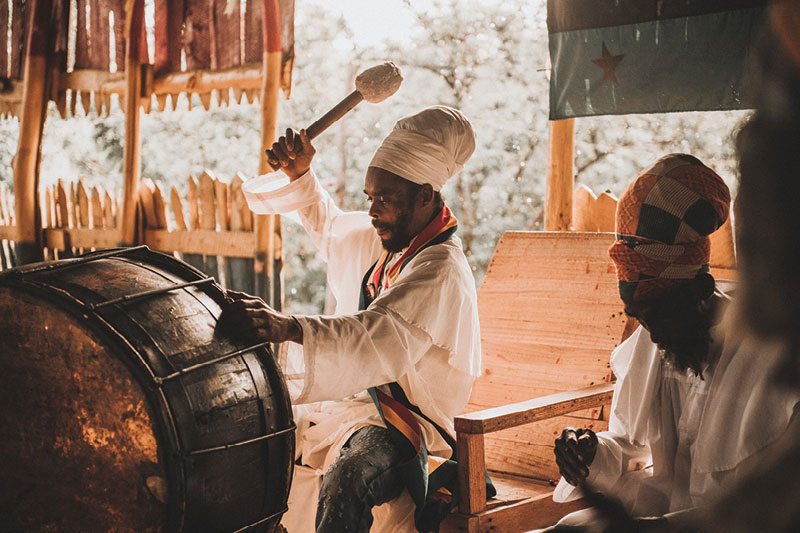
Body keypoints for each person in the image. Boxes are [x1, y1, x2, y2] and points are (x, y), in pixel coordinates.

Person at [221, 106, 488, 533]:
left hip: (408, 420)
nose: (373, 211)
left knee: (350, 475)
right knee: (246, 432)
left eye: (386, 199)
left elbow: (374, 335)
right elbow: (332, 231)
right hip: (353, 405)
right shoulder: (393, 240)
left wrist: (287, 326)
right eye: (370, 198)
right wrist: (301, 175)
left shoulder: (439, 269)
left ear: (424, 196)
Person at [544, 154, 800, 531]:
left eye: (657, 313)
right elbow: (631, 449)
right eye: (638, 315)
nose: (652, 332)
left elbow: (775, 510)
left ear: (701, 289)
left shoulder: (773, 357)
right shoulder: (653, 341)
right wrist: (592, 452)